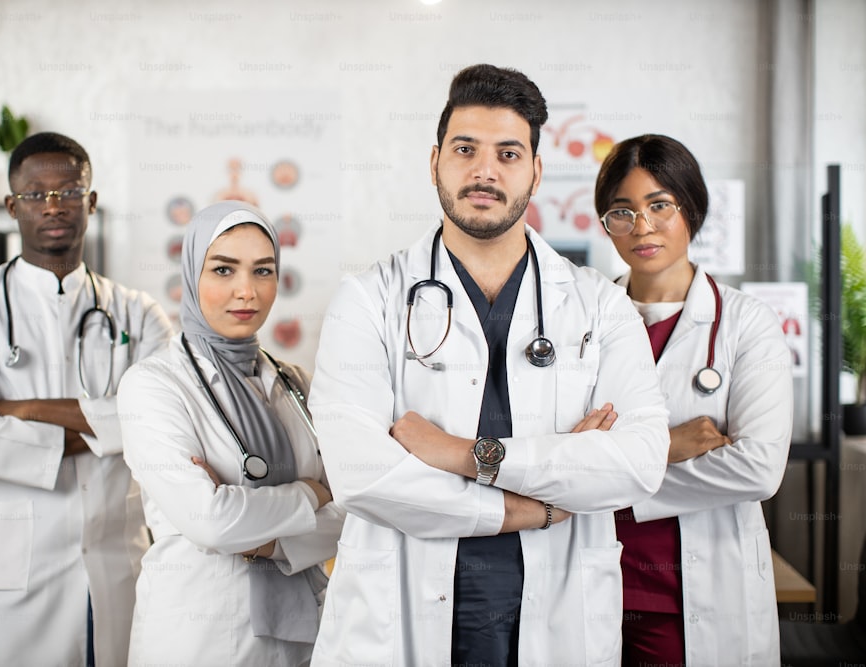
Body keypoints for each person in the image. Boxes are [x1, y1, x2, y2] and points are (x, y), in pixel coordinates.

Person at [309, 64, 671, 667]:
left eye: (508, 153)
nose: (485, 170)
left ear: (536, 170)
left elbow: (639, 463)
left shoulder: (599, 304)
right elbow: (361, 474)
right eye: (465, 149)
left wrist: (464, 454)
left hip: (559, 616)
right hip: (400, 615)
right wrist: (537, 508)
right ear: (434, 164)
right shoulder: (368, 298)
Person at [0, 132, 173, 666]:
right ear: (12, 206)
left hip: (113, 567)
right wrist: (112, 425)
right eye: (36, 194)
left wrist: (19, 410)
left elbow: (166, 424)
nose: (54, 205)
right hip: (11, 580)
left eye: (69, 190)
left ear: (92, 201)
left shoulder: (138, 313)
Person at [594, 134, 793, 666]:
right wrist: (666, 445)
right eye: (622, 211)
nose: (642, 226)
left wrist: (611, 477)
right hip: (591, 589)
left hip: (692, 602)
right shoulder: (584, 321)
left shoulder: (746, 324)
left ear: (692, 209)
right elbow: (550, 449)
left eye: (660, 205)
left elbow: (757, 469)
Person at [118, 201, 344, 666]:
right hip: (199, 636)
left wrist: (265, 541)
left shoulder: (296, 384)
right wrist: (311, 492)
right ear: (191, 274)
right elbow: (210, 520)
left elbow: (352, 515)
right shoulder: (154, 384)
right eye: (223, 270)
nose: (247, 291)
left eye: (263, 271)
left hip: (305, 633)